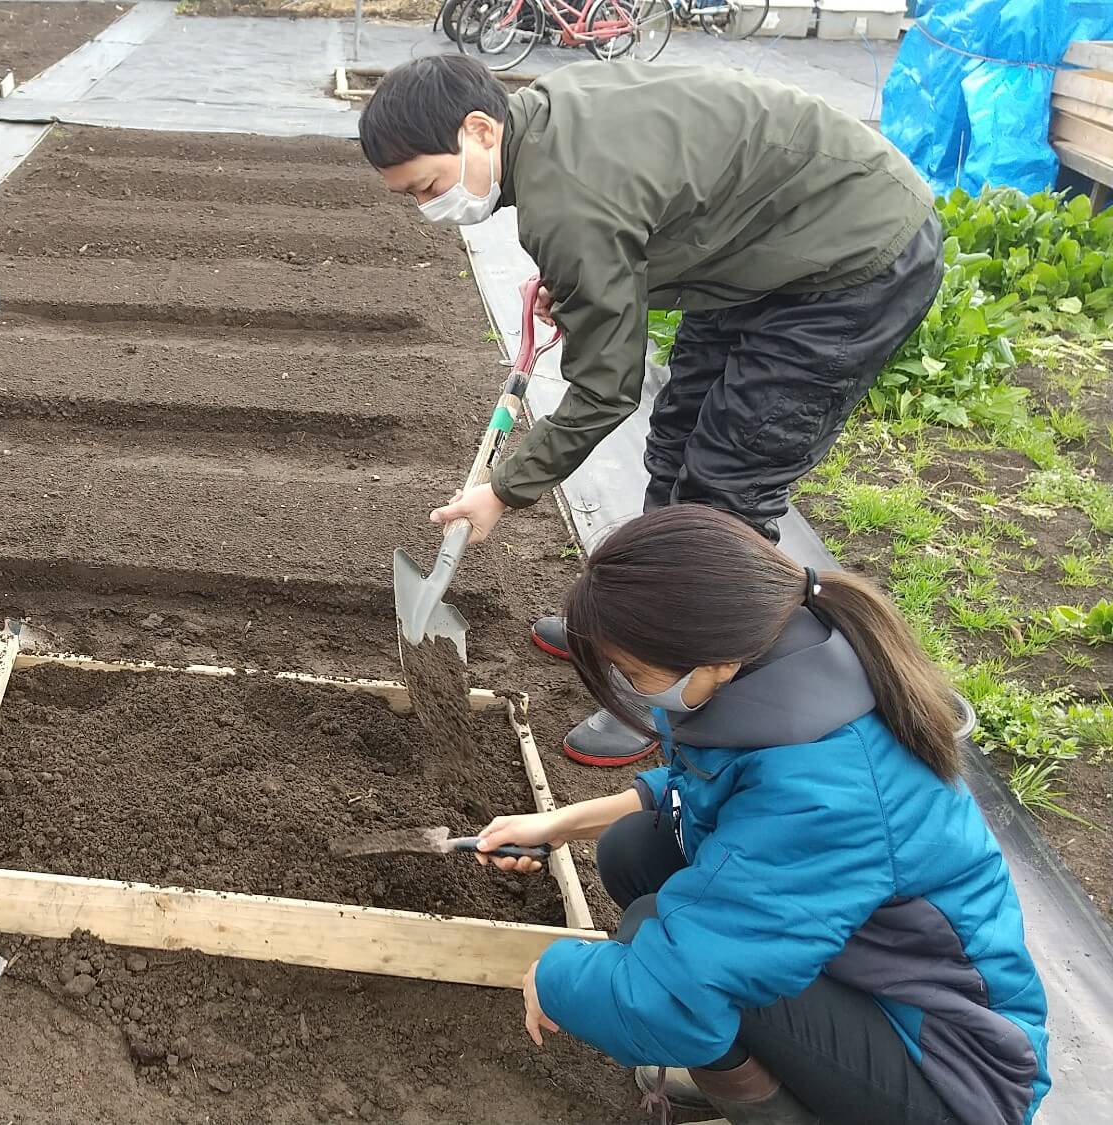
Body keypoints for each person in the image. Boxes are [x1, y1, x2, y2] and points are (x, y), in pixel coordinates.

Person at [359, 55, 945, 767]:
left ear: (480, 130)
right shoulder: (541, 118)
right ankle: (637, 621)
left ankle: (675, 679)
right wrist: (588, 289)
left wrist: (504, 490)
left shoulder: (568, 201)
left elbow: (606, 389)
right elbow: (641, 220)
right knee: (673, 440)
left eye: (428, 185)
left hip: (851, 259)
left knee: (728, 480)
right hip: (768, 243)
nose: (428, 206)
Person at [473, 506, 1048, 1125]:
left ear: (714, 660)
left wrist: (553, 976)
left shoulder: (826, 785)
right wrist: (554, 824)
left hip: (951, 1070)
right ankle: (753, 1062)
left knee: (658, 944)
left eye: (636, 674)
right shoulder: (780, 664)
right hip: (864, 966)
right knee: (634, 848)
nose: (632, 689)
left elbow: (675, 992)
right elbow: (710, 788)